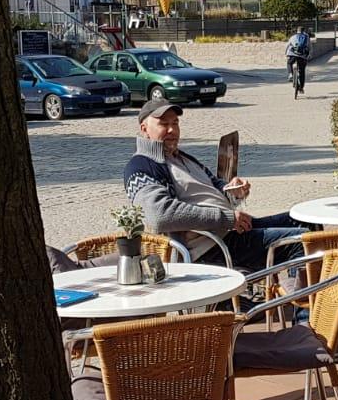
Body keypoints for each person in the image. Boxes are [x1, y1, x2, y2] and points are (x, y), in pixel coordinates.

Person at [123, 102, 302, 272]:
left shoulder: (183, 158)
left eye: (175, 123)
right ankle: (305, 303)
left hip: (229, 230)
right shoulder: (141, 166)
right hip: (210, 248)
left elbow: (215, 185)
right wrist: (227, 218)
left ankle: (301, 292)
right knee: (301, 242)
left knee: (302, 219)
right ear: (144, 129)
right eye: (164, 124)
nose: (172, 130)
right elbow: (159, 215)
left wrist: (233, 190)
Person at [285, 27, 312, 94]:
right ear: (304, 31)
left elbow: (287, 45)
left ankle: (290, 74)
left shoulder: (293, 36)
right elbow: (310, 47)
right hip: (302, 56)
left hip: (292, 54)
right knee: (302, 71)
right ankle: (301, 88)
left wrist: (286, 53)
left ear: (297, 31)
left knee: (289, 63)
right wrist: (309, 55)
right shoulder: (306, 37)